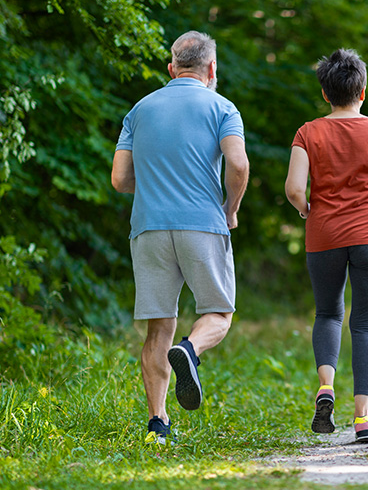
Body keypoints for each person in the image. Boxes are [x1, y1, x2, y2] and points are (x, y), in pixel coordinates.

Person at [111, 30, 249, 444]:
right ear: (211, 69)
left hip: (149, 227)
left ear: (171, 68)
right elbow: (238, 166)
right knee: (219, 313)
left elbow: (119, 179)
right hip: (202, 224)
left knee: (158, 330)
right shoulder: (222, 107)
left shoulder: (140, 109)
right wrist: (231, 209)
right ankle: (190, 351)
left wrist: (155, 186)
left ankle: (158, 425)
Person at [285, 48, 368, 444]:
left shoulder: (308, 132)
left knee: (327, 314)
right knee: (365, 324)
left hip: (324, 234)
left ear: (325, 93)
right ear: (363, 91)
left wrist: (308, 209)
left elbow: (293, 189)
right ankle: (362, 420)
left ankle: (326, 385)